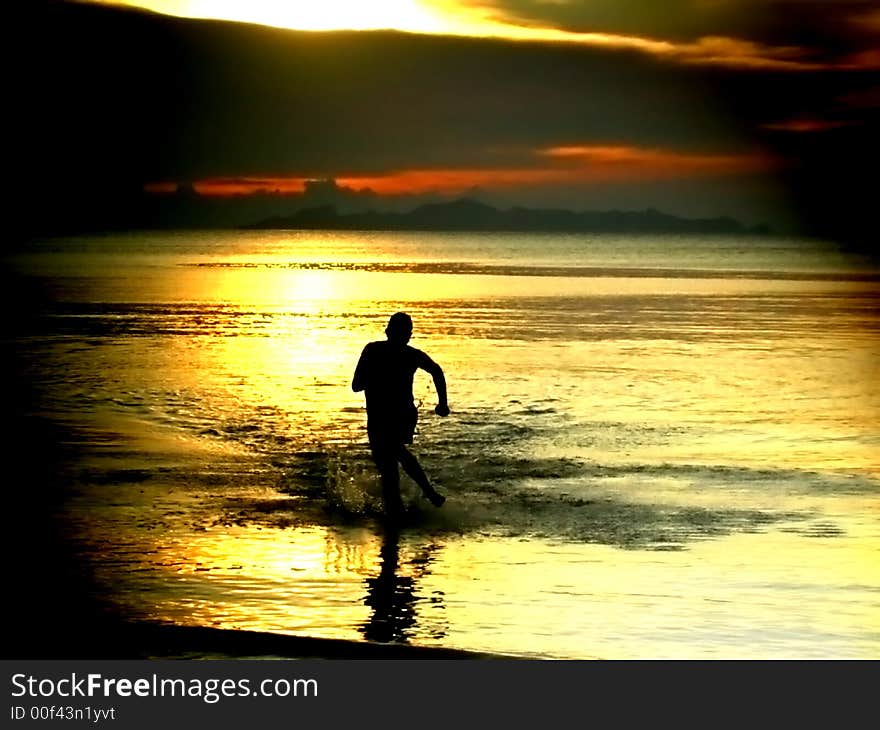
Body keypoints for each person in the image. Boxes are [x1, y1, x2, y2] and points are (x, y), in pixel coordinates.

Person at [352, 312, 449, 518]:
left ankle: (400, 510)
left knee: (390, 459)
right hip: (393, 414)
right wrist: (442, 403)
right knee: (391, 457)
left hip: (392, 415)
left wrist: (443, 402)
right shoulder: (404, 354)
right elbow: (436, 370)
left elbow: (356, 386)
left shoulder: (375, 351)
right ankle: (413, 501)